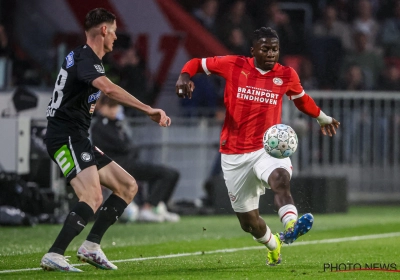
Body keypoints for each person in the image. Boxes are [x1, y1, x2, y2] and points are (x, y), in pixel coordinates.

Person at [175, 27, 340, 266]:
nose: (271, 53)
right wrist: (184, 76)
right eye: (265, 48)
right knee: (249, 222)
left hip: (268, 147)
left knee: (280, 179)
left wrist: (321, 116)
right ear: (253, 50)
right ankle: (274, 244)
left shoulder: (286, 74)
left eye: (275, 49)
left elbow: (301, 98)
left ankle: (291, 226)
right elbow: (196, 63)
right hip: (233, 153)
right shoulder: (234, 64)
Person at [41, 8, 171, 272]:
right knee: (91, 196)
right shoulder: (86, 58)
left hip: (77, 136)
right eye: (113, 31)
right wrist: (149, 110)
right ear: (103, 30)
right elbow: (109, 89)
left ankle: (91, 247)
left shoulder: (84, 58)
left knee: (127, 186)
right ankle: (54, 254)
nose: (114, 38)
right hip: (65, 136)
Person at [91, 95, 180, 223]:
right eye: (110, 106)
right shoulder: (100, 126)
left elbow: (127, 146)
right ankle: (149, 208)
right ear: (102, 107)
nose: (114, 110)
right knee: (165, 174)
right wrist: (128, 149)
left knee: (169, 174)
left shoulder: (116, 124)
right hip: (117, 165)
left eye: (115, 106)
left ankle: (156, 206)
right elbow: (122, 146)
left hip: (127, 163)